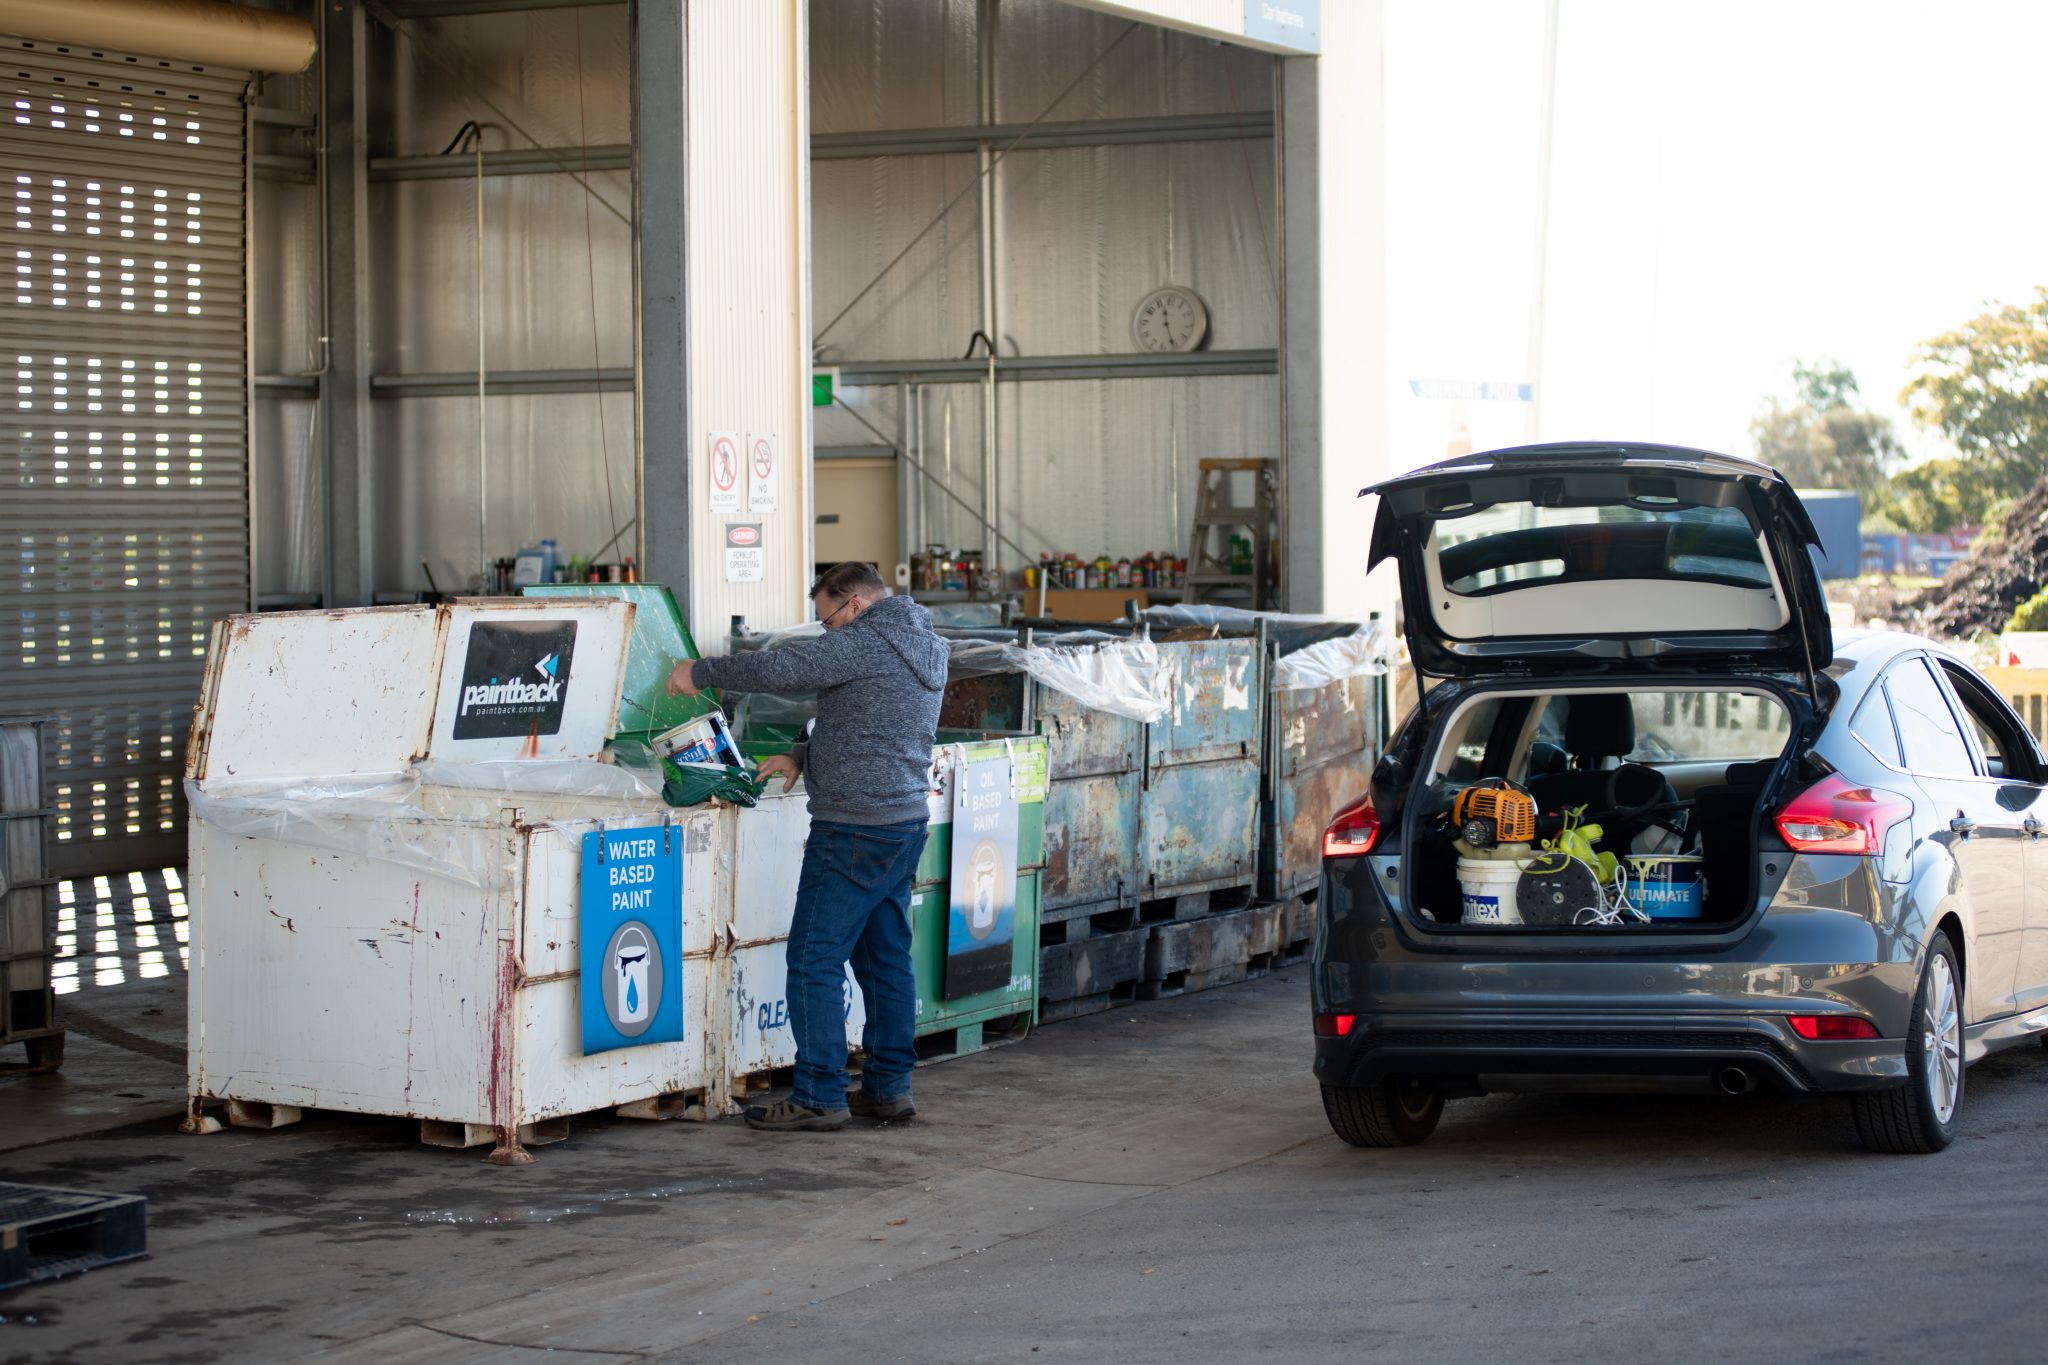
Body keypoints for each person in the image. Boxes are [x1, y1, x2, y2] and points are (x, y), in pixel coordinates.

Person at [667, 561, 948, 1132]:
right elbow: (860, 715)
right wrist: (800, 754)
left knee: (815, 958)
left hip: (852, 827)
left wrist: (702, 672)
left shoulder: (868, 639)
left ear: (857, 606)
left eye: (828, 621)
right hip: (902, 821)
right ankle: (890, 1088)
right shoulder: (921, 642)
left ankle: (820, 1093)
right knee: (885, 958)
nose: (827, 633)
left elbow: (785, 666)